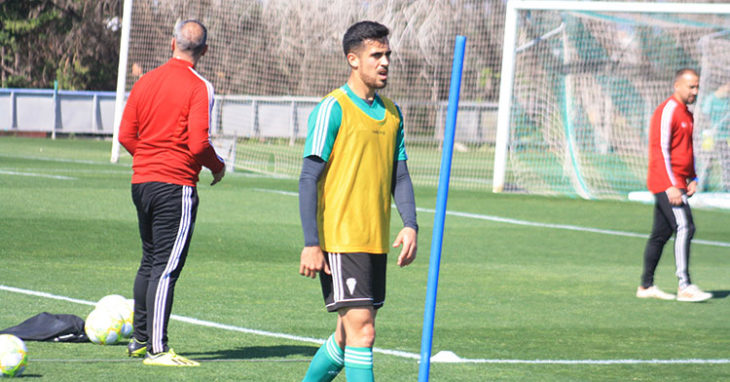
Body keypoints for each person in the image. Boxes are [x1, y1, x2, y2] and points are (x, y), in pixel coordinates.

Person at [298, 21, 418, 381]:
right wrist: (311, 243)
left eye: (387, 56)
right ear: (353, 59)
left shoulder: (393, 113)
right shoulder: (332, 108)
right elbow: (308, 178)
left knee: (346, 334)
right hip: (340, 240)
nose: (384, 63)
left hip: (375, 241)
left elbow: (400, 175)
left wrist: (410, 224)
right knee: (363, 332)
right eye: (375, 55)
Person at [118, 19, 226, 366]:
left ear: (172, 43)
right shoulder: (200, 87)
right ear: (205, 51)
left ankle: (138, 339)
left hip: (142, 181)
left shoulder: (145, 81)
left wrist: (149, 158)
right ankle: (157, 348)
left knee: (150, 261)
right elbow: (198, 143)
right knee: (165, 268)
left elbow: (125, 135)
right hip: (174, 184)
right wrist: (218, 166)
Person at [636, 68, 712, 303]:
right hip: (665, 182)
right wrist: (670, 185)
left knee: (661, 233)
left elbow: (685, 151)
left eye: (697, 86)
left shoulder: (687, 114)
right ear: (677, 85)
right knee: (686, 226)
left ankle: (646, 286)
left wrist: (693, 177)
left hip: (678, 181)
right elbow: (661, 149)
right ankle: (684, 285)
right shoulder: (668, 110)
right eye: (691, 86)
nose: (695, 91)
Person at [699, 81, 730, 191]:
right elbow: (704, 116)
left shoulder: (728, 101)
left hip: (724, 137)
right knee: (707, 162)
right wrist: (711, 129)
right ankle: (702, 186)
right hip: (710, 136)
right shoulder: (711, 99)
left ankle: (727, 188)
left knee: (726, 163)